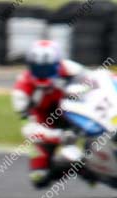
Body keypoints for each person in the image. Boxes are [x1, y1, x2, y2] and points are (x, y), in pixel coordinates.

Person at [11, 40, 86, 189]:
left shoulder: (71, 68)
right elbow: (28, 128)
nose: (43, 73)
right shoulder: (21, 90)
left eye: (47, 68)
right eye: (38, 69)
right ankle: (80, 168)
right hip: (46, 124)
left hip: (78, 112)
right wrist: (57, 135)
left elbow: (98, 79)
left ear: (57, 63)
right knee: (39, 178)